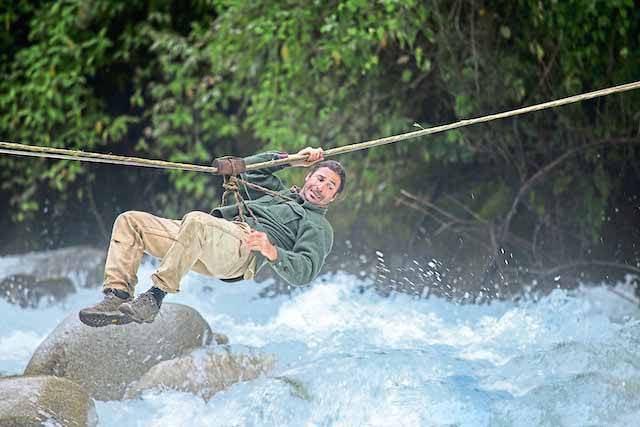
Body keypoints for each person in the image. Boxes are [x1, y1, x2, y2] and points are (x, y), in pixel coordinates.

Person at [79, 147, 346, 327]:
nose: (321, 187)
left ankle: (154, 297)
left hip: (240, 253)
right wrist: (290, 159)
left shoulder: (319, 227)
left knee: (197, 221)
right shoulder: (275, 190)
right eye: (320, 179)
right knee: (130, 222)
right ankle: (117, 296)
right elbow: (244, 169)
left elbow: (305, 272)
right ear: (308, 175)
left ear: (334, 198)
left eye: (330, 186)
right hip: (202, 241)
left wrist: (272, 251)